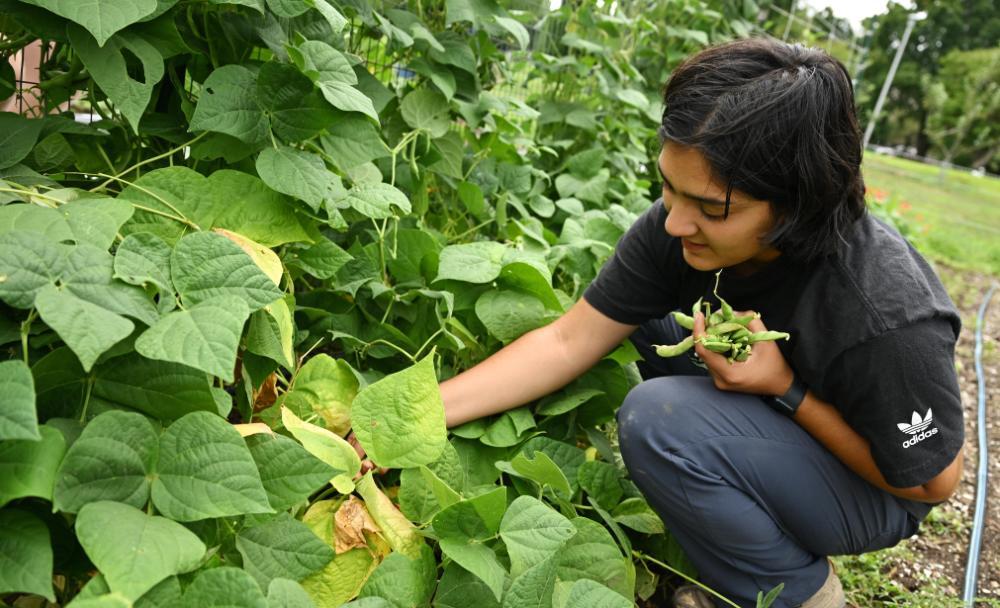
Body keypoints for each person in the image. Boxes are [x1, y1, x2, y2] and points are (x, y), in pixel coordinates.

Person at [365, 37, 966, 608]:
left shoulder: (884, 314)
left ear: (796, 205)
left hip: (874, 489)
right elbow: (569, 339)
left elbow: (930, 485)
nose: (675, 222)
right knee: (648, 324)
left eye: (710, 208)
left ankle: (796, 590)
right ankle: (732, 518)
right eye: (669, 189)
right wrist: (408, 423)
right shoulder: (678, 228)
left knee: (659, 418)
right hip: (772, 423)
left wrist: (784, 389)